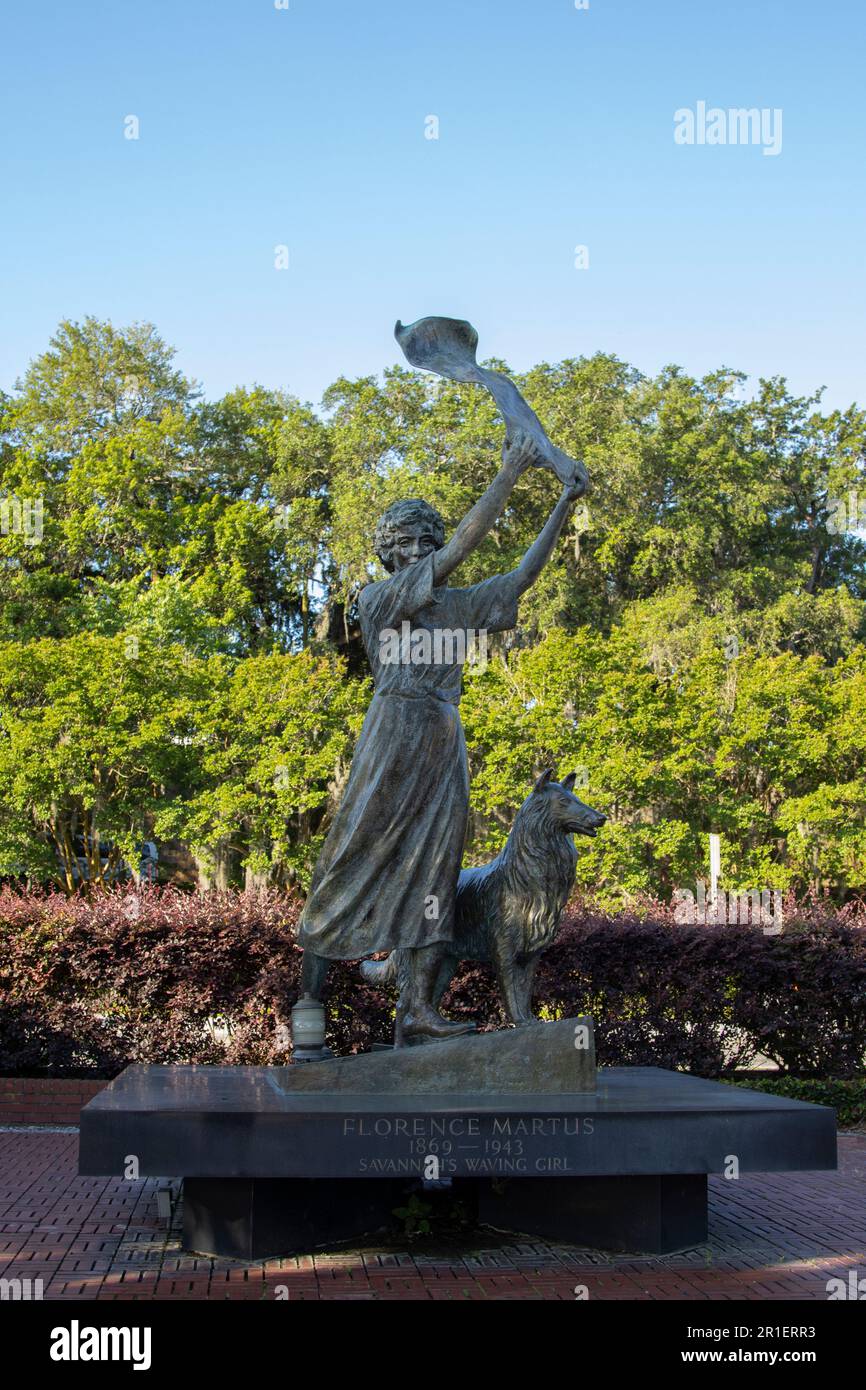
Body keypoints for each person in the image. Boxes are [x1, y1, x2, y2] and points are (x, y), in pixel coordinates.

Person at [297, 427, 584, 1042]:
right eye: (407, 541)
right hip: (394, 733)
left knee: (436, 874)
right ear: (388, 553)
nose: (422, 547)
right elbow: (456, 551)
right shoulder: (378, 600)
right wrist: (508, 473)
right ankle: (308, 1018)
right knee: (346, 863)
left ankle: (418, 1010)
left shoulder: (455, 608)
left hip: (442, 742)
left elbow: (517, 580)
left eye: (427, 536)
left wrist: (562, 505)